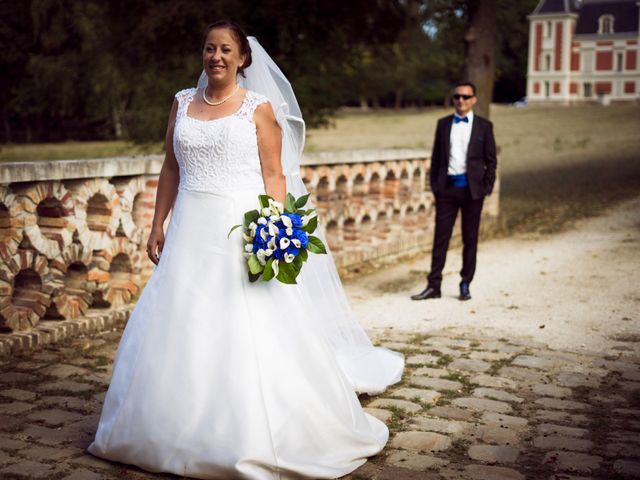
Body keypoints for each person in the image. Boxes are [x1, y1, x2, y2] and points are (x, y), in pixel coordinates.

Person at [88, 20, 403, 480]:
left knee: (246, 324)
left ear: (242, 59)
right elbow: (171, 167)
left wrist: (275, 228)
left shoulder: (258, 108)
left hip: (240, 230)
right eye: (209, 49)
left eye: (226, 50)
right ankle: (165, 426)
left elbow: (275, 175)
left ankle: (249, 433)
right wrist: (158, 222)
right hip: (190, 229)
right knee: (182, 320)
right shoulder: (180, 103)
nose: (216, 57)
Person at [411, 81, 497, 302]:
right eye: (457, 97)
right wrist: (436, 187)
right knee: (441, 239)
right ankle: (434, 286)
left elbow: (491, 161)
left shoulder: (484, 127)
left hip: (472, 193)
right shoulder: (443, 124)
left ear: (473, 100)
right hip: (447, 191)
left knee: (470, 239)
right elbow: (436, 158)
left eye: (466, 97)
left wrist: (486, 188)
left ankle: (465, 283)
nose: (461, 100)